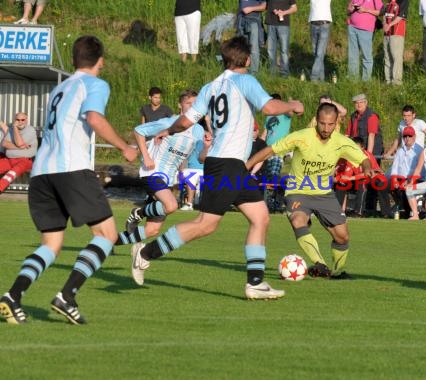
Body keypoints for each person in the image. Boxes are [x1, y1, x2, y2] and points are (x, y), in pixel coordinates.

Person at [129, 36, 304, 300]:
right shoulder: (244, 80)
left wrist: (168, 128)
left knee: (260, 217)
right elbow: (269, 107)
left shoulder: (210, 86)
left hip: (229, 164)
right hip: (226, 164)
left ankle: (255, 283)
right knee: (205, 224)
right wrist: (292, 105)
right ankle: (144, 253)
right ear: (247, 59)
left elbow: (186, 121)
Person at [0, 35, 138, 325]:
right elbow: (94, 119)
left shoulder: (60, 87)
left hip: (41, 173)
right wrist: (125, 147)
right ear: (100, 61)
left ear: (74, 60)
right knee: (106, 236)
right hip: (71, 169)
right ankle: (67, 295)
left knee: (50, 244)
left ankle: (12, 297)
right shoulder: (95, 84)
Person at [247, 102, 373, 279]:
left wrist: (367, 168)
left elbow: (362, 158)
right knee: (298, 220)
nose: (326, 128)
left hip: (323, 193)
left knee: (342, 237)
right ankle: (320, 264)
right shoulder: (301, 137)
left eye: (330, 124)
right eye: (322, 123)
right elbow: (270, 150)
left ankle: (336, 272)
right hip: (297, 190)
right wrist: (246, 165)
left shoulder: (342, 142)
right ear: (316, 120)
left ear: (337, 122)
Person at [119, 89, 205, 247]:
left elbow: (201, 157)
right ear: (180, 105)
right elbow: (139, 131)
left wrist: (209, 144)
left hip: (168, 179)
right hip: (153, 172)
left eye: (196, 104)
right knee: (171, 205)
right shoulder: (168, 122)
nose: (193, 108)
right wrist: (146, 156)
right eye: (189, 104)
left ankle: (110, 242)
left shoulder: (199, 130)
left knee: (152, 230)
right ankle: (138, 212)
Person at [385, 126, 424, 218]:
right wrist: (394, 180)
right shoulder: (400, 151)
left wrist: (409, 180)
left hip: (415, 178)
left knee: (406, 188)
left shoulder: (420, 150)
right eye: (405, 136)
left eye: (409, 136)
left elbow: (420, 170)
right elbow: (394, 168)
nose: (407, 138)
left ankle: (407, 211)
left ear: (414, 136)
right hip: (401, 178)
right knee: (382, 186)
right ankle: (386, 212)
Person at [0, 113, 38, 193]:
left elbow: (19, 143)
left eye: (22, 120)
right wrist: (19, 147)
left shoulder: (30, 130)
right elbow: (4, 144)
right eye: (18, 120)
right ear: (15, 120)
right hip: (9, 159)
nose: (20, 122)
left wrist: (15, 128)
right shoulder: (10, 130)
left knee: (10, 175)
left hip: (24, 160)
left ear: (26, 120)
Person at [347, 0, 382, 81]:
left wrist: (366, 10)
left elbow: (381, 12)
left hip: (366, 29)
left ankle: (366, 80)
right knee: (352, 55)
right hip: (352, 27)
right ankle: (353, 79)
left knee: (366, 56)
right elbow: (348, 11)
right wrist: (350, 9)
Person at [346, 93, 383, 165]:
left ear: (366, 103)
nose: (359, 105)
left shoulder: (371, 116)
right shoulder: (353, 116)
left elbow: (371, 136)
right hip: (358, 150)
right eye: (356, 103)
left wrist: (368, 155)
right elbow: (347, 135)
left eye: (361, 102)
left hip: (372, 151)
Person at [266, 0, 297, 77]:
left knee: (284, 50)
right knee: (270, 49)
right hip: (270, 23)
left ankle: (285, 73)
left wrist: (283, 12)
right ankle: (272, 73)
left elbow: (294, 8)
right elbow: (264, 4)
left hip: (283, 24)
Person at [236, 1, 267, 76]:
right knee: (242, 48)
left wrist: (251, 9)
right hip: (241, 22)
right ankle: (242, 70)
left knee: (253, 48)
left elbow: (264, 6)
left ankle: (254, 73)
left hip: (253, 22)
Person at [383, 0, 409, 85]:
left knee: (396, 58)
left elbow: (400, 16)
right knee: (387, 57)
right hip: (386, 34)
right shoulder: (389, 2)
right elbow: (384, 15)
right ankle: (388, 80)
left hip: (397, 33)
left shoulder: (403, 1)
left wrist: (389, 25)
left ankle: (396, 81)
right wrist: (384, 24)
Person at [308, 0, 333, 81]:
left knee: (319, 53)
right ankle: (321, 79)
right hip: (313, 25)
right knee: (316, 53)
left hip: (324, 25)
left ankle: (313, 77)